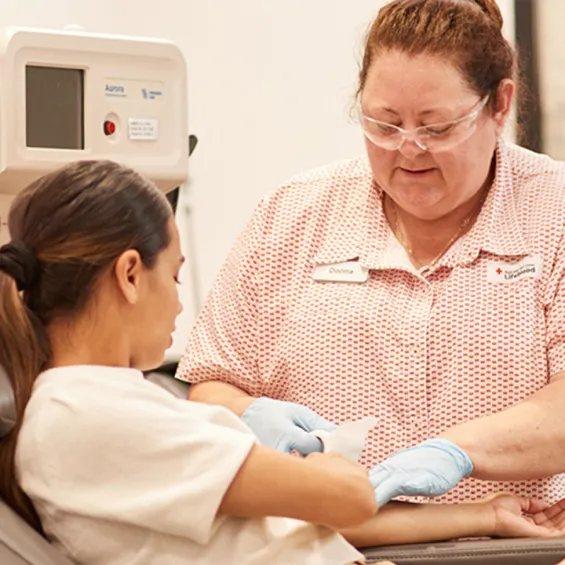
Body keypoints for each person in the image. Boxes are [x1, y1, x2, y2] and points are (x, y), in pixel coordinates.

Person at [0, 161, 563, 565]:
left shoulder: (113, 403)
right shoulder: (85, 413)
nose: (178, 300)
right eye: (173, 276)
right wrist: (325, 460)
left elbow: (309, 519)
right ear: (128, 274)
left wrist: (486, 515)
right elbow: (344, 499)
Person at [176, 0, 565, 508]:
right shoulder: (291, 217)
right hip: (329, 547)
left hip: (518, 547)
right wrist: (247, 415)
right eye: (384, 124)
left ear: (499, 106)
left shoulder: (551, 213)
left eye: (437, 127)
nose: (408, 149)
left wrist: (458, 451)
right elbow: (212, 385)